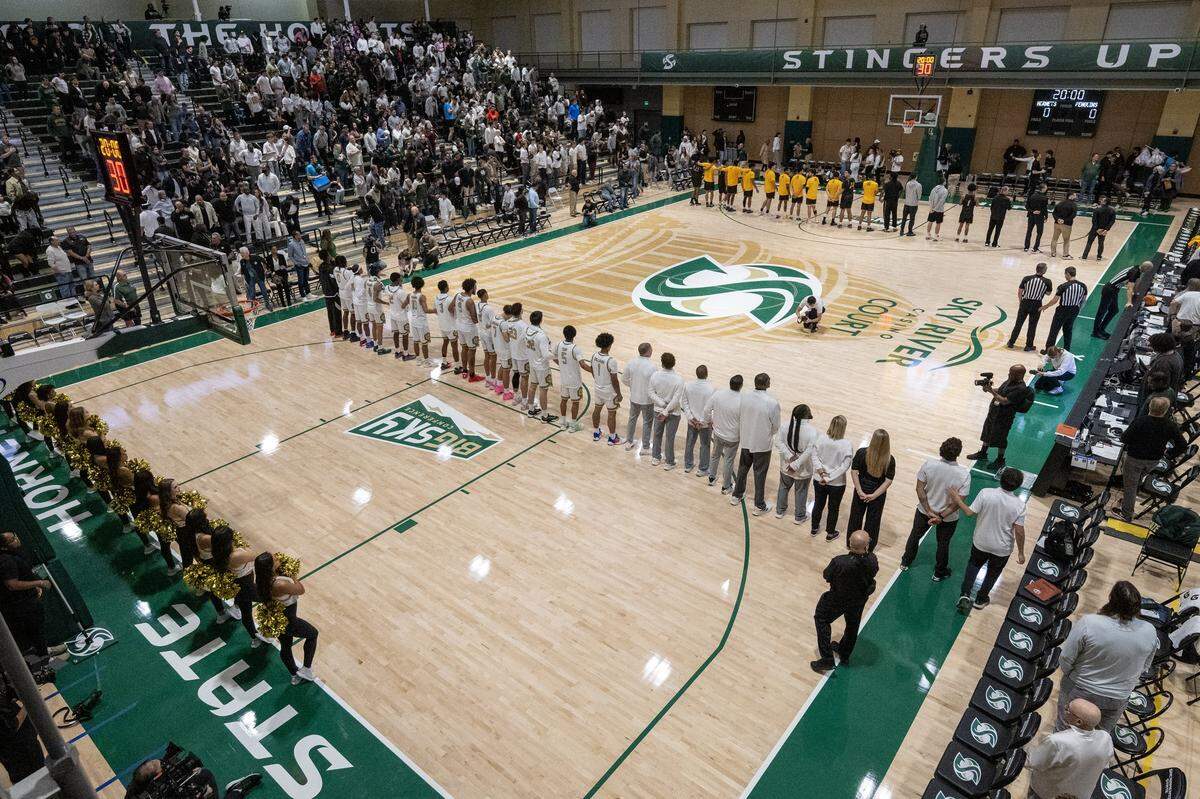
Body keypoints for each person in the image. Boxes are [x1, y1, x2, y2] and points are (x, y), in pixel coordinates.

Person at [1056, 581, 1158, 732]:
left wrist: (1073, 676)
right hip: (1118, 697)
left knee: (1064, 733)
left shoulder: (1089, 622)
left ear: (1111, 600)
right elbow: (1145, 666)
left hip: (1080, 688)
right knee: (1100, 738)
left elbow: (1065, 658)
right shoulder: (1150, 631)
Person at [951, 466, 1026, 612]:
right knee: (992, 573)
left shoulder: (985, 493)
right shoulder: (1020, 505)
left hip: (981, 542)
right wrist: (1021, 552)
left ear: (1001, 479)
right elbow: (1019, 531)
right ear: (1018, 485)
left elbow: (968, 512)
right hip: (1002, 549)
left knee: (973, 566)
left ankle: (965, 594)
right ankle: (981, 599)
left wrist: (956, 498)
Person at [899, 437, 970, 579]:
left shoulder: (928, 465)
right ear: (958, 453)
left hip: (924, 512)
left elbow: (920, 490)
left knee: (915, 536)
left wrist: (928, 510)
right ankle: (939, 573)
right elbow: (959, 502)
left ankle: (905, 562)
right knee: (943, 544)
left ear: (941, 449)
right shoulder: (964, 474)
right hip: (948, 517)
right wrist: (941, 516)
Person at [810, 530, 878, 673]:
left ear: (849, 543)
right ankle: (844, 653)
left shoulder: (839, 562)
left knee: (821, 619)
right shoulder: (872, 559)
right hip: (859, 599)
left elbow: (826, 575)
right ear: (865, 546)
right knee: (853, 625)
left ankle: (827, 659)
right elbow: (873, 573)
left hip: (838, 599)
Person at [1111, 396, 1186, 521]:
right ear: (1166, 410)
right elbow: (1182, 445)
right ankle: (1127, 501)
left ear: (1150, 407)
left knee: (1130, 485)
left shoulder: (1140, 421)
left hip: (1135, 458)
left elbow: (1125, 438)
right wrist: (1169, 454)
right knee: (1138, 479)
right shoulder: (1170, 425)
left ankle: (1126, 514)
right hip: (1154, 461)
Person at [1025, 698, 1113, 799]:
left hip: (1048, 792)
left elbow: (1033, 761)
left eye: (1068, 710)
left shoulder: (1058, 741)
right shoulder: (1105, 737)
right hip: (1082, 794)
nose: (1065, 708)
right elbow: (1105, 765)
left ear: (1078, 722)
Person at [254, 552, 318, 685]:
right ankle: (306, 669)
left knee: (286, 645)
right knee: (312, 634)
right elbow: (301, 589)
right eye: (275, 559)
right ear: (270, 567)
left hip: (276, 618)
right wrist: (292, 574)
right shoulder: (280, 584)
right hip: (289, 620)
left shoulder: (261, 580)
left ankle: (294, 674)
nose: (278, 558)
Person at [0, 532, 65, 659]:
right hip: (22, 605)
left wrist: (32, 587)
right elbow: (12, 584)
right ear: (3, 547)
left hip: (26, 599)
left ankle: (44, 651)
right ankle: (47, 661)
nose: (17, 539)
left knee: (37, 631)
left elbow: (19, 577)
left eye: (15, 536)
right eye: (12, 539)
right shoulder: (6, 560)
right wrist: (39, 582)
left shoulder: (12, 556)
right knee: (35, 631)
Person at [730, 373, 781, 516]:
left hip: (746, 440)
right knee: (760, 474)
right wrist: (767, 433)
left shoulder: (744, 396)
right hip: (762, 444)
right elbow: (776, 426)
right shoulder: (772, 403)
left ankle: (736, 495)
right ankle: (759, 505)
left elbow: (740, 414)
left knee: (742, 469)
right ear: (766, 384)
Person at [967, 365, 1035, 471]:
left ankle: (1000, 460)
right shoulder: (1009, 380)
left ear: (1020, 375)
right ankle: (983, 453)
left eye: (1011, 373)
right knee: (987, 432)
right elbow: (1001, 390)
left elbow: (1004, 401)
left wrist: (990, 391)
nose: (1009, 374)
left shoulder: (1020, 388)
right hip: (994, 412)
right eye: (1009, 372)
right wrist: (990, 388)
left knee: (1001, 438)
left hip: (1004, 417)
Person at [847, 429, 895, 551]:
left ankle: (852, 544)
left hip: (861, 490)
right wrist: (874, 495)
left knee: (855, 518)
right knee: (873, 522)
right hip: (877, 495)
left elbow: (854, 471)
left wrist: (859, 491)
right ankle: (869, 547)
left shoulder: (862, 452)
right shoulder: (890, 459)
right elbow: (888, 481)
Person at [810, 415, 853, 541]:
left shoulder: (821, 439)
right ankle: (830, 533)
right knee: (833, 508)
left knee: (818, 504)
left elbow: (814, 457)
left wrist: (822, 475)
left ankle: (814, 528)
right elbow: (845, 466)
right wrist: (829, 478)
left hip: (819, 480)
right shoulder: (846, 444)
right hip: (837, 484)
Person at [127, 759, 261, 798]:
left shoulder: (137, 787)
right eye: (160, 765)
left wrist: (188, 774)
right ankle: (236, 791)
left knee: (204, 774)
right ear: (157, 776)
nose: (163, 763)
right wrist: (203, 795)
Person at [775, 404, 818, 524]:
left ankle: (779, 511)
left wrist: (789, 457)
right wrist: (797, 464)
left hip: (786, 466)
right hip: (803, 469)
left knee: (783, 487)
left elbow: (777, 442)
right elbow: (809, 451)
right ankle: (799, 516)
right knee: (801, 491)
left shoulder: (784, 426)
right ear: (807, 415)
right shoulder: (812, 431)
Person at [704, 374, 743, 493]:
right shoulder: (743, 400)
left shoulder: (718, 394)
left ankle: (711, 478)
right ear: (741, 386)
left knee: (715, 455)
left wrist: (709, 421)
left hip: (718, 433)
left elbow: (706, 410)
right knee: (728, 460)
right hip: (732, 437)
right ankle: (726, 486)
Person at [1093, 261, 1152, 339]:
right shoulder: (1134, 272)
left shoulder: (1137, 269)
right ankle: (1095, 332)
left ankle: (1101, 329)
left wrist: (1135, 292)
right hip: (1109, 290)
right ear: (1146, 268)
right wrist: (1129, 302)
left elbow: (1136, 284)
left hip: (1114, 290)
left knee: (1114, 310)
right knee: (1101, 312)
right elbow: (1129, 288)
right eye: (1149, 270)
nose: (1149, 271)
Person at [584, 332, 622, 445]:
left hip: (597, 388)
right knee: (611, 414)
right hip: (609, 391)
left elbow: (593, 370)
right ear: (610, 345)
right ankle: (612, 438)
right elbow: (615, 380)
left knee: (597, 409)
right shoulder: (611, 361)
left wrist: (597, 380)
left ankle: (596, 433)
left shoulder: (594, 356)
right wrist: (619, 394)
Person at [649, 352, 685, 469]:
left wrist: (661, 404)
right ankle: (669, 462)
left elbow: (650, 392)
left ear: (662, 363)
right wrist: (666, 410)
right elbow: (676, 399)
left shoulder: (655, 375)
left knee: (657, 434)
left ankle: (656, 457)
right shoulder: (679, 379)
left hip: (658, 410)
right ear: (674, 363)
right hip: (673, 412)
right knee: (670, 437)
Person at [1006, 262, 1052, 352]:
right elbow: (1048, 293)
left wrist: (1021, 302)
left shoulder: (1027, 278)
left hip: (1025, 302)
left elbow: (1020, 291)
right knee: (1032, 326)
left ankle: (1011, 342)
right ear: (1044, 271)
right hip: (1037, 304)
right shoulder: (1047, 281)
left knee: (1018, 324)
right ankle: (1028, 346)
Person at [1041, 266, 1087, 352]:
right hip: (1074, 310)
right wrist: (1078, 310)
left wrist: (1045, 306)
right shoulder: (1083, 286)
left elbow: (1055, 300)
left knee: (1054, 331)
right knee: (1068, 330)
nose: (1065, 276)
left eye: (1065, 274)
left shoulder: (1063, 286)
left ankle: (1049, 351)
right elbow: (1083, 301)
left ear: (1068, 274)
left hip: (1062, 310)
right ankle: (1067, 350)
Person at [623, 342, 656, 453]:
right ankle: (645, 447)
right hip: (647, 400)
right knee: (647, 422)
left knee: (632, 419)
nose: (652, 351)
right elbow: (655, 384)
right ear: (647, 352)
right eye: (651, 349)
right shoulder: (652, 366)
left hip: (634, 397)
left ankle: (629, 441)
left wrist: (632, 386)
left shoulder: (631, 362)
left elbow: (624, 379)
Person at [682, 365, 715, 475]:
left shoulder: (688, 385)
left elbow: (684, 403)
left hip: (692, 422)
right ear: (707, 374)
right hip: (704, 424)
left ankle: (688, 465)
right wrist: (704, 422)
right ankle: (703, 469)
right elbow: (711, 409)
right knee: (705, 445)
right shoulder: (711, 389)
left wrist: (691, 418)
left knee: (689, 443)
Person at [1081, 195, 1116, 260]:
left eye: (1102, 200)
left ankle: (1084, 256)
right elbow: (1112, 221)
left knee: (1089, 242)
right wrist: (1106, 229)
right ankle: (1099, 257)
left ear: (1105, 202)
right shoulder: (1112, 211)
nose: (1100, 201)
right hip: (1103, 230)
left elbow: (1094, 220)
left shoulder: (1097, 210)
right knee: (1101, 243)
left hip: (1095, 229)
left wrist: (1097, 229)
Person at [1050, 192, 1078, 259]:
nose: (1076, 196)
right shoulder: (1073, 205)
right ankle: (1065, 255)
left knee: (1054, 238)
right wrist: (1064, 221)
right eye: (1075, 195)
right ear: (1070, 196)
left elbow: (1054, 213)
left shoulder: (1060, 203)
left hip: (1057, 223)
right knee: (1066, 240)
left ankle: (1053, 253)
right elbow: (1073, 216)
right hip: (1066, 225)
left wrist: (1058, 219)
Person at [1023, 184, 1048, 252]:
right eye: (1046, 188)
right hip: (1039, 217)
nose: (1046, 189)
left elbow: (1027, 206)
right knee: (1039, 232)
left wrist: (1033, 211)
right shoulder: (1045, 198)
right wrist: (1046, 216)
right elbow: (1044, 209)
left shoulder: (1032, 195)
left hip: (1031, 215)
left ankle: (1026, 247)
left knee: (1029, 231)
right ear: (1043, 189)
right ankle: (1035, 248)